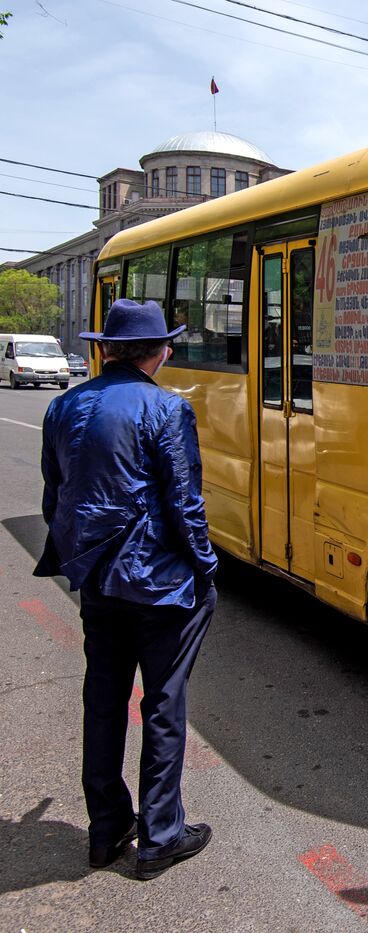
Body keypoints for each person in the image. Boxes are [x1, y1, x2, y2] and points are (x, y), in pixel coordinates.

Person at [35, 298, 218, 880]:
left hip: (97, 581)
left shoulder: (63, 407)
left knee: (104, 699)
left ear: (106, 349)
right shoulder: (166, 409)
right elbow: (184, 503)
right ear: (159, 353)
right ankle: (160, 835)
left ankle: (107, 828)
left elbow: (54, 497)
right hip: (159, 585)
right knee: (163, 703)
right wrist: (206, 567)